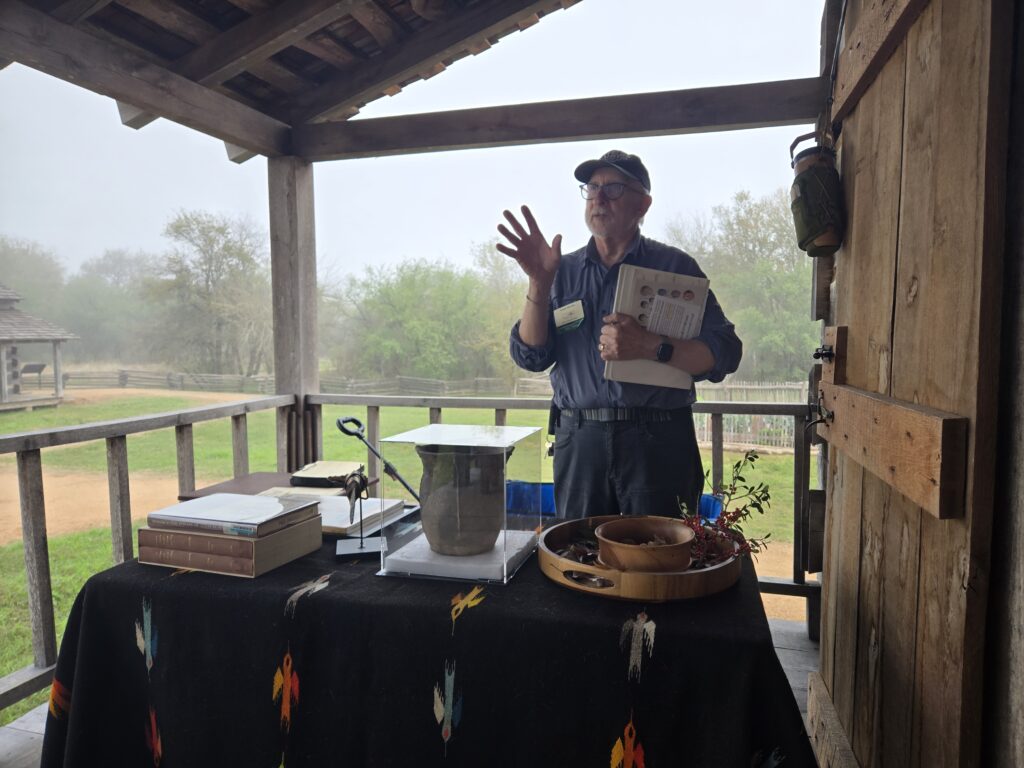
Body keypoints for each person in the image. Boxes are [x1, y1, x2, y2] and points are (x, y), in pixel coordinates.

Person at [499, 149, 742, 520]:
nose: (598, 197)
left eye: (613, 189)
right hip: (579, 441)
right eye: (592, 188)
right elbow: (531, 355)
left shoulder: (675, 268)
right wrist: (538, 281)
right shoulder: (559, 271)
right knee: (580, 560)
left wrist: (651, 345)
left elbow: (725, 352)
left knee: (659, 560)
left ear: (643, 204)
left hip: (658, 441)